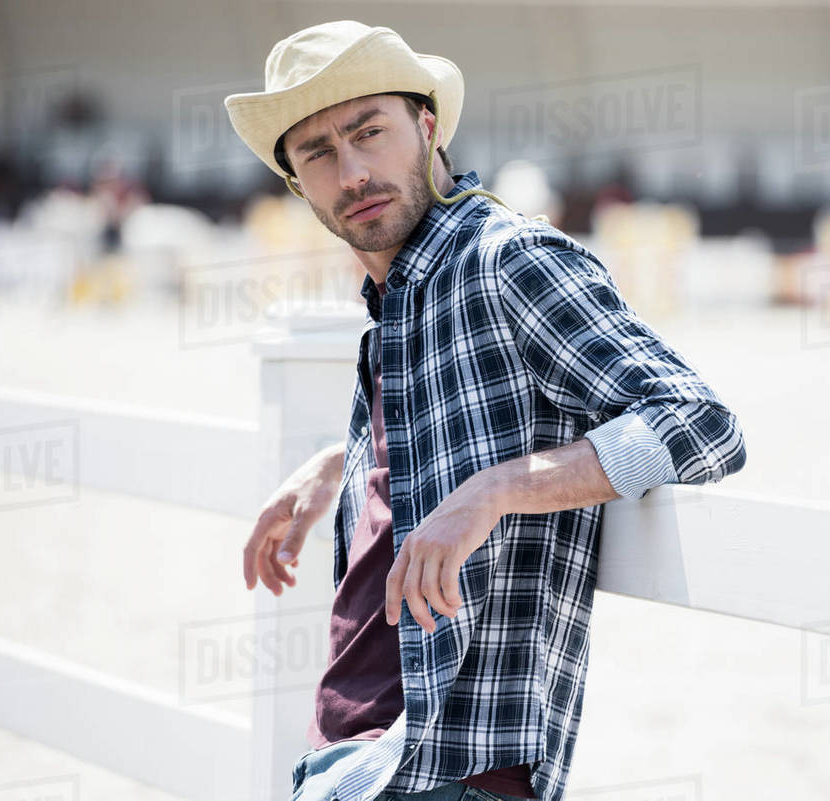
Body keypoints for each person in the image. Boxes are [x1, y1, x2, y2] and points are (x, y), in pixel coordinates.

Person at [226, 21, 747, 801]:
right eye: (320, 154)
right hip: (352, 762)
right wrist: (343, 459)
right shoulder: (399, 304)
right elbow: (460, 414)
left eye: (371, 131)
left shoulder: (505, 258)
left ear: (427, 125)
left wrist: (496, 491)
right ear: (298, 184)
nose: (355, 171)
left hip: (448, 769)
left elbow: (700, 421)